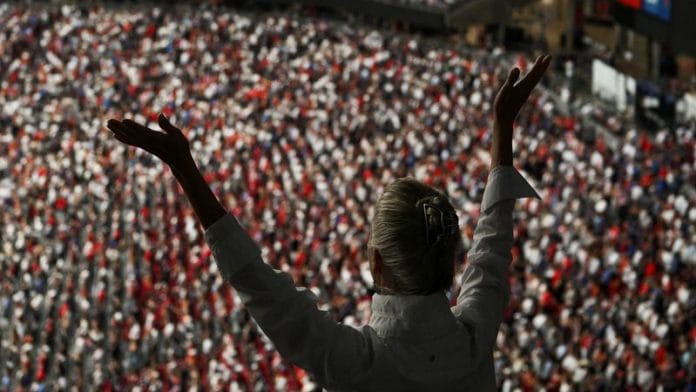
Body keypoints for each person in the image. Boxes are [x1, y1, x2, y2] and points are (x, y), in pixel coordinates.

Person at [106, 54, 552, 390]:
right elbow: (492, 248)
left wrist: (184, 166)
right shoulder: (476, 335)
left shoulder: (358, 362)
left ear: (376, 263)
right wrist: (502, 131)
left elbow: (264, 291)